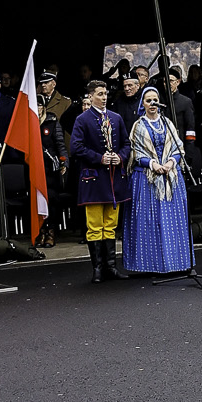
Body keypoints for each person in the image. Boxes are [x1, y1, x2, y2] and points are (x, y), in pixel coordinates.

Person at [123, 86, 191, 275]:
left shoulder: (167, 122)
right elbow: (136, 153)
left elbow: (178, 147)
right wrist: (153, 164)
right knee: (150, 221)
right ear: (142, 104)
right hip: (147, 178)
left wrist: (170, 162)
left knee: (172, 221)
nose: (152, 104)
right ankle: (150, 264)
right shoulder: (139, 125)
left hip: (170, 176)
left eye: (155, 100)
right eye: (148, 101)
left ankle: (176, 262)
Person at [68, 79, 130, 282]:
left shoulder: (116, 118)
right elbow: (76, 148)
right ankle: (97, 268)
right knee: (94, 225)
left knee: (111, 224)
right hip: (94, 178)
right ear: (90, 96)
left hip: (113, 179)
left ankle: (111, 267)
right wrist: (99, 158)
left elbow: (127, 144)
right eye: (100, 94)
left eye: (105, 94)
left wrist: (119, 157)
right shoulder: (82, 119)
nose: (104, 98)